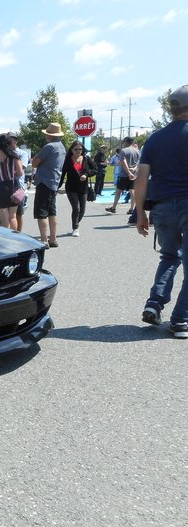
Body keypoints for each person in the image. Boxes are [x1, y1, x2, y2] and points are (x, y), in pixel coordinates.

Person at [135, 84, 188, 338]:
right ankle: (180, 320)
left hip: (163, 206)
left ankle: (154, 304)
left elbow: (141, 179)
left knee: (169, 256)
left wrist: (140, 213)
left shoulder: (154, 139)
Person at [32, 123, 67, 247]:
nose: (46, 135)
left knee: (41, 212)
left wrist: (36, 158)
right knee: (52, 212)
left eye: (47, 133)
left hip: (44, 182)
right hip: (53, 182)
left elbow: (35, 163)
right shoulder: (62, 147)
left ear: (50, 135)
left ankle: (44, 240)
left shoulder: (49, 147)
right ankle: (53, 238)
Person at [58, 140, 96, 237]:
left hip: (83, 188)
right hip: (71, 187)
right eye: (76, 149)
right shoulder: (67, 160)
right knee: (76, 208)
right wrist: (57, 187)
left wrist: (86, 174)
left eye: (80, 149)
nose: (78, 151)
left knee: (82, 210)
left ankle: (75, 223)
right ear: (71, 150)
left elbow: (95, 170)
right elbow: (62, 175)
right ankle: (75, 228)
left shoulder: (86, 158)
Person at [106, 136, 139, 213]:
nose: (123, 143)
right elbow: (138, 162)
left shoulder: (123, 151)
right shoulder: (137, 151)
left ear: (126, 142)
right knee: (132, 190)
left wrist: (128, 172)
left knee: (118, 191)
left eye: (124, 142)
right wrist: (134, 169)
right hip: (134, 173)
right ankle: (132, 208)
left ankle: (114, 207)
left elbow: (123, 162)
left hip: (124, 174)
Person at [8, 132, 29, 232]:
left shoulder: (22, 153)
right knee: (7, 214)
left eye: (11, 139)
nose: (9, 142)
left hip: (19, 187)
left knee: (19, 214)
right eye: (7, 140)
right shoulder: (4, 153)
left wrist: (7, 172)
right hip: (7, 186)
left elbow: (22, 169)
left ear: (16, 141)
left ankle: (19, 234)